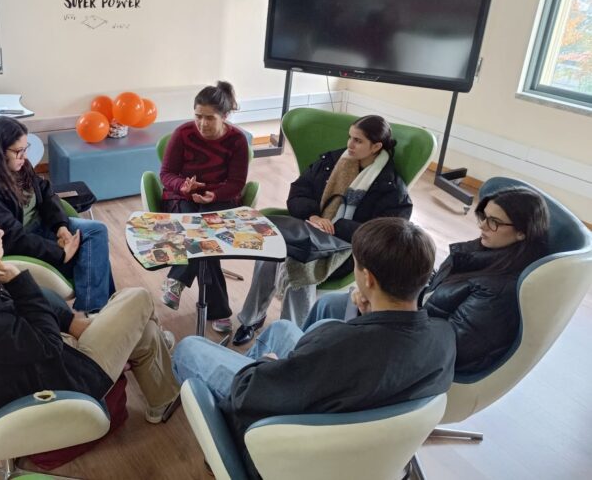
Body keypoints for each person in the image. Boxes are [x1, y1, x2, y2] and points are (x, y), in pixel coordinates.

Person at [173, 217, 455, 477]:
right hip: (360, 449)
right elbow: (380, 356)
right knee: (282, 328)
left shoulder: (336, 345)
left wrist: (267, 365)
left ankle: (231, 431)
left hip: (283, 452)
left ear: (368, 278)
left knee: (189, 349)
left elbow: (246, 393)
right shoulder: (444, 338)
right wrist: (370, 316)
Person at [0, 198, 180, 424]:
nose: (1, 232)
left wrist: (70, 321)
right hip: (64, 382)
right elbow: (47, 343)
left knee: (145, 330)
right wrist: (18, 281)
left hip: (50, 362)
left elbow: (33, 310)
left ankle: (163, 401)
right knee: (138, 297)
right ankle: (161, 353)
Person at [305, 186, 549, 374]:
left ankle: (306, 371)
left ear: (522, 232)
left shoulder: (498, 292)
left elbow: (450, 347)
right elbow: (434, 291)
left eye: (494, 222)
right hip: (413, 323)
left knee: (322, 327)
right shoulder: (479, 254)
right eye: (483, 216)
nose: (483, 226)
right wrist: (389, 293)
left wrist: (380, 313)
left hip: (418, 354)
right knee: (328, 304)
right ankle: (303, 363)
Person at [233, 114, 411, 344]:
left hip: (350, 246)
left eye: (358, 141)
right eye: (350, 137)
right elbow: (298, 191)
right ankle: (251, 319)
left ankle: (293, 336)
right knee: (270, 254)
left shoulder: (392, 187)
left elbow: (386, 232)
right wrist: (314, 216)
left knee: (301, 267)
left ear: (376, 146)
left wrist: (337, 226)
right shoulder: (331, 161)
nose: (350, 144)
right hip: (310, 228)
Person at [0, 116, 115, 313]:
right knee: (94, 252)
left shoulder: (16, 164)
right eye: (18, 151)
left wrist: (60, 226)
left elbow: (45, 190)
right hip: (23, 238)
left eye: (25, 148)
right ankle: (95, 313)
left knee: (97, 231)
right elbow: (13, 237)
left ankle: (104, 308)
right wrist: (60, 253)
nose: (24, 156)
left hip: (42, 225)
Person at [158, 81, 250, 334]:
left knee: (204, 242)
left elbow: (236, 183)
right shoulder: (183, 133)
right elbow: (166, 174)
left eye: (209, 118)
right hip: (182, 197)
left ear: (225, 116)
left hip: (218, 199)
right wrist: (183, 186)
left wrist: (213, 195)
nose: (202, 123)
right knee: (205, 242)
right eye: (198, 116)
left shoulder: (237, 140)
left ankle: (176, 279)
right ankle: (219, 312)